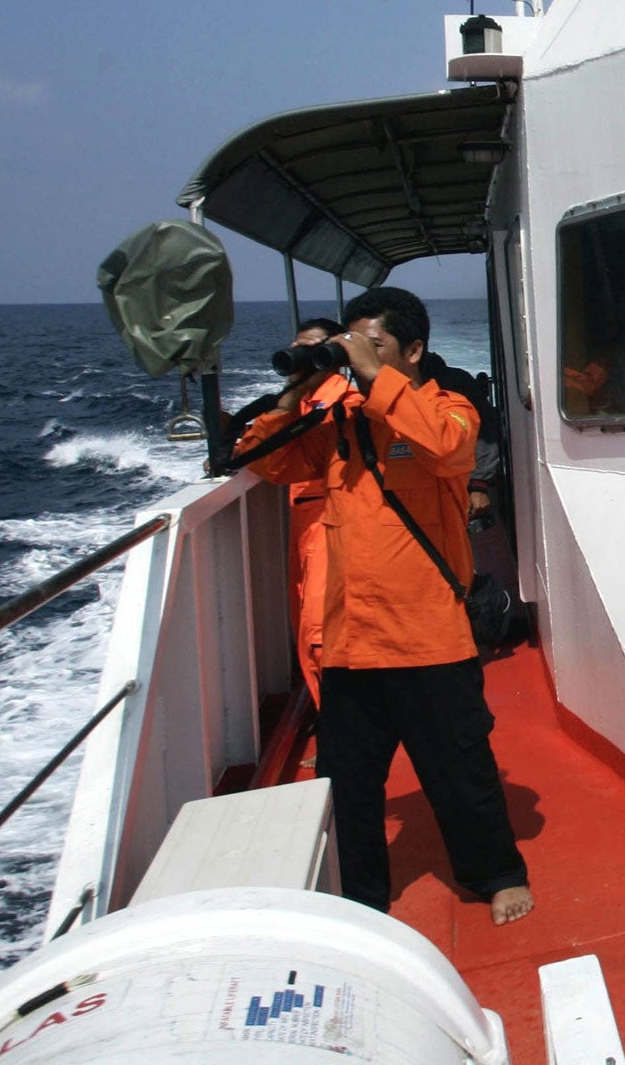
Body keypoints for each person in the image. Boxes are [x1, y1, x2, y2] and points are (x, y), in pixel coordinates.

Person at [236, 287, 534, 924]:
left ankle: (498, 873)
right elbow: (266, 462)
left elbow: (449, 450)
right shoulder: (339, 425)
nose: (362, 357)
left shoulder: (446, 407)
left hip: (430, 635)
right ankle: (363, 899)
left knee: (461, 772)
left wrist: (375, 379)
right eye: (357, 345)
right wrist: (297, 393)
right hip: (354, 641)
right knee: (350, 787)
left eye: (378, 345)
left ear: (415, 350)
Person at [284, 316, 352, 707]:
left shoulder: (339, 399)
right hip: (304, 521)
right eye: (298, 348)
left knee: (319, 631)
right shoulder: (301, 398)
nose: (302, 358)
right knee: (303, 619)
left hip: (326, 522)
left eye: (314, 349)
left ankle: (336, 730)